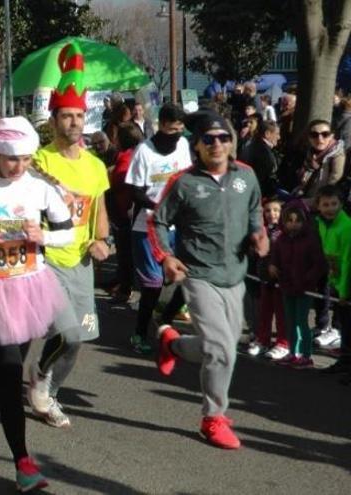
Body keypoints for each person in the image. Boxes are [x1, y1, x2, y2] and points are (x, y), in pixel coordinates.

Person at [0, 116, 74, 492]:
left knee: (10, 367)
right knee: (8, 367)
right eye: (11, 159)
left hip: (29, 287)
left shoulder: (40, 188)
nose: (18, 166)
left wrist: (46, 238)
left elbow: (68, 229)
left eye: (24, 159)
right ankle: (23, 462)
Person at [152, 110, 269, 450]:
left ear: (232, 143)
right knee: (221, 351)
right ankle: (213, 417)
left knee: (222, 347)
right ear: (197, 147)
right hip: (198, 274)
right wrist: (167, 257)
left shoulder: (246, 176)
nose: (216, 144)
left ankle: (172, 343)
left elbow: (254, 211)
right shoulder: (184, 182)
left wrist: (258, 234)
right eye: (208, 139)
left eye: (223, 138)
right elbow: (157, 222)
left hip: (234, 273)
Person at [26, 42, 112, 429]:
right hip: (47, 260)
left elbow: (99, 209)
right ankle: (38, 385)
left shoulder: (95, 166)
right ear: (54, 118)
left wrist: (103, 240)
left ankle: (48, 390)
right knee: (68, 334)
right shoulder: (41, 160)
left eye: (79, 116)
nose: (74, 123)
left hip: (81, 261)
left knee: (78, 342)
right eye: (67, 116)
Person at [125, 103, 192, 354]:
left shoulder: (183, 146)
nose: (177, 135)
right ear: (162, 125)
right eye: (173, 130)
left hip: (178, 226)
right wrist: (160, 207)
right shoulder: (144, 151)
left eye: (180, 130)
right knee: (152, 287)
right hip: (147, 227)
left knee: (189, 277)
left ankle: (165, 319)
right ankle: (139, 335)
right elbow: (135, 192)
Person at [268, 205, 327, 368]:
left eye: (297, 221)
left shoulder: (311, 238)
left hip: (304, 288)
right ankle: (292, 352)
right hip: (287, 285)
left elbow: (319, 264)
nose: (293, 224)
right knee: (290, 321)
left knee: (302, 322)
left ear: (304, 221)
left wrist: (308, 280)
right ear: (284, 222)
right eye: (290, 221)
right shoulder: (281, 239)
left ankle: (306, 355)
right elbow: (276, 257)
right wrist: (273, 265)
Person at [313, 186, 351, 379]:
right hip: (338, 280)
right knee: (345, 323)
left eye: (334, 204)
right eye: (325, 204)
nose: (330, 208)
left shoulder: (346, 227)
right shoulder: (321, 223)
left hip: (348, 281)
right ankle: (344, 361)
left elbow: (347, 260)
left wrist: (344, 291)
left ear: (341, 204)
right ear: (318, 206)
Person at [107, 122, 145, 303]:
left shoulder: (126, 157)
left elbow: (119, 179)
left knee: (125, 252)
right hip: (131, 210)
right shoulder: (139, 153)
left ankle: (125, 288)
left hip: (124, 211)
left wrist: (110, 174)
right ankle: (122, 282)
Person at [248, 198, 290, 360]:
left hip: (281, 279)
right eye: (267, 210)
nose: (272, 214)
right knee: (264, 312)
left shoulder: (285, 231)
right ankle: (263, 340)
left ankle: (282, 343)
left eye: (276, 210)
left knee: (281, 313)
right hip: (265, 278)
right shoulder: (263, 230)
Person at [295, 120, 346, 208]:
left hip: (325, 205)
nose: (320, 139)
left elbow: (332, 186)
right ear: (309, 138)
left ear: (331, 136)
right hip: (307, 196)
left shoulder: (336, 156)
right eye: (314, 135)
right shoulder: (309, 153)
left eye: (325, 134)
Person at [240, 120, 281, 199]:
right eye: (277, 134)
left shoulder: (253, 144)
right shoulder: (263, 153)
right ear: (267, 134)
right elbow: (261, 178)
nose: (279, 137)